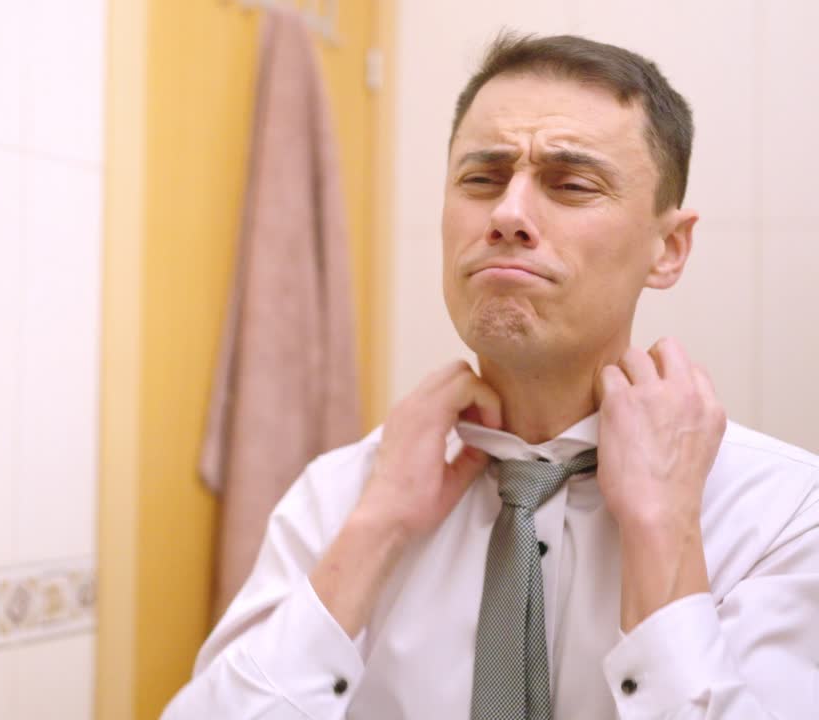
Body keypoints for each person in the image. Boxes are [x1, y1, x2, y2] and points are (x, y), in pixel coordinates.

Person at [163, 33, 819, 719]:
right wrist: (377, 526)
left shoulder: (783, 516)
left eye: (571, 184)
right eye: (482, 179)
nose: (508, 215)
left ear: (669, 248)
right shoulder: (340, 498)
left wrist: (664, 538)